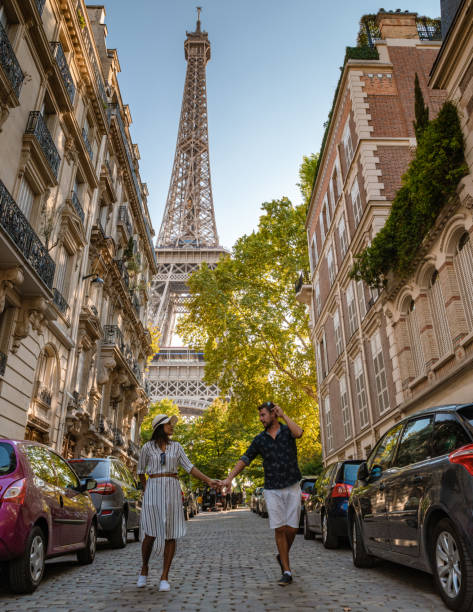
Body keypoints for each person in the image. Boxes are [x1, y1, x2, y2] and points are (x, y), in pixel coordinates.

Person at [220, 401, 303, 586]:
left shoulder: (288, 430)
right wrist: (230, 478)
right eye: (260, 416)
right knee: (280, 528)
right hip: (272, 488)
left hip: (292, 485)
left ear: (273, 413)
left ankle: (282, 556)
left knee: (293, 529)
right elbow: (245, 458)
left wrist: (284, 415)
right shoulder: (260, 439)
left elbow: (299, 433)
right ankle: (287, 571)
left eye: (263, 415)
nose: (260, 419)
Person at [137, 413, 219, 591]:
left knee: (171, 533)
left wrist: (208, 480)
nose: (172, 427)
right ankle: (144, 568)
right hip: (153, 488)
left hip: (172, 489)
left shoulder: (177, 447)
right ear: (160, 426)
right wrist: (147, 489)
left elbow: (189, 467)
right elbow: (140, 471)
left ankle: (164, 576)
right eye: (169, 424)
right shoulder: (147, 448)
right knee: (150, 533)